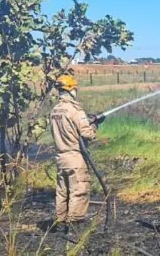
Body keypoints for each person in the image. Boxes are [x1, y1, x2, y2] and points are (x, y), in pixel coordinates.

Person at [49, 74, 105, 225]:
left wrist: (87, 120)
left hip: (61, 157)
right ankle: (74, 224)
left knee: (62, 192)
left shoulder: (55, 110)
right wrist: (95, 125)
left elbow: (68, 128)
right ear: (70, 90)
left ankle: (61, 222)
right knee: (78, 190)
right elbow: (87, 134)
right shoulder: (75, 110)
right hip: (75, 157)